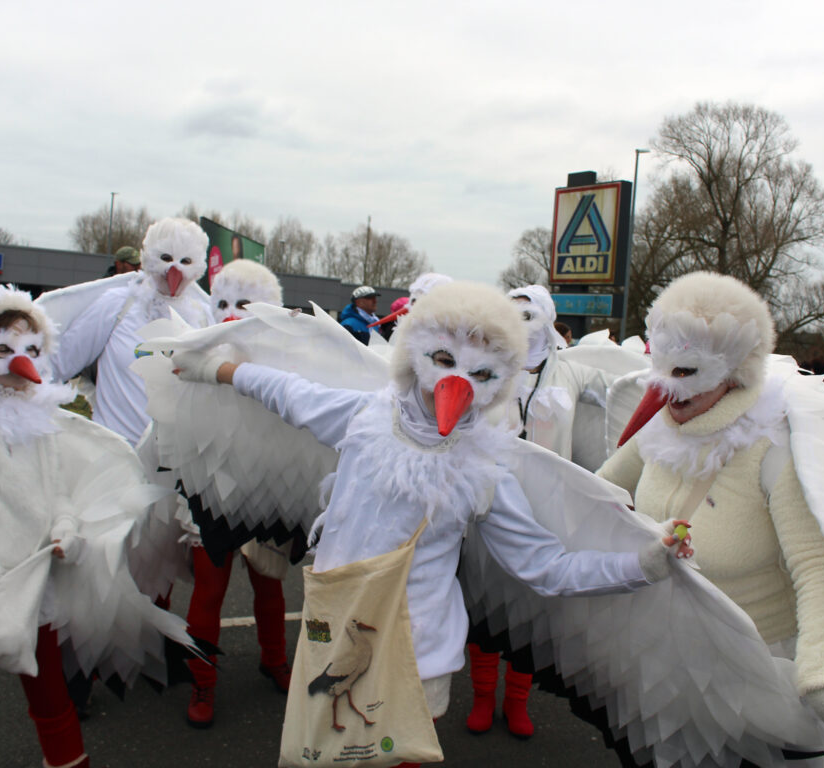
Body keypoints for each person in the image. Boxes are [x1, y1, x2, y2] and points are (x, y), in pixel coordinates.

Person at [170, 281, 690, 768]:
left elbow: (544, 565)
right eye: (443, 360)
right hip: (334, 624)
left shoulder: (486, 469)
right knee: (322, 751)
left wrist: (644, 561)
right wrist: (214, 369)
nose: (456, 381)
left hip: (418, 656)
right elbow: (288, 392)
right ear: (416, 354)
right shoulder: (367, 416)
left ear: (501, 382)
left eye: (481, 374)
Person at [597, 272, 824, 765]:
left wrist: (823, 675)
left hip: (750, 672)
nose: (667, 390)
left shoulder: (774, 450)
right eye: (661, 368)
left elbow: (816, 566)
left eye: (687, 373)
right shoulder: (658, 428)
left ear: (733, 373)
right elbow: (600, 493)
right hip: (663, 657)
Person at [0, 284, 196, 768]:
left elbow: (58, 491)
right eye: (3, 350)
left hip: (37, 586)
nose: (21, 362)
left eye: (31, 349)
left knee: (53, 702)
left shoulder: (38, 418)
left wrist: (66, 527)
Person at [465, 284, 618, 739]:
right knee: (484, 597)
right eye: (512, 315)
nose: (521, 324)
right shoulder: (485, 370)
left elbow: (629, 395)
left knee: (534, 604)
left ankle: (517, 700)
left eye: (530, 315)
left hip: (549, 507)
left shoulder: (572, 370)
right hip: (491, 503)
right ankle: (480, 697)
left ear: (549, 318)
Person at [185, 258, 291, 728]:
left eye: (244, 305)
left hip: (264, 488)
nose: (230, 313)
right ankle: (201, 682)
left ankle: (275, 660)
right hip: (208, 491)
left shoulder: (288, 365)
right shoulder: (190, 358)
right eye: (222, 303)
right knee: (209, 590)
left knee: (269, 583)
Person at [47, 217, 214, 446]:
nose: (174, 270)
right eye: (165, 258)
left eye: (185, 261)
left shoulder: (205, 316)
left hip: (177, 471)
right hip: (115, 459)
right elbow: (58, 363)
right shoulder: (117, 305)